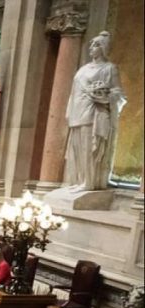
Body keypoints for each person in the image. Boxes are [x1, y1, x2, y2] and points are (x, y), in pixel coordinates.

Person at [63, 31, 125, 191]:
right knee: (76, 149)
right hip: (77, 111)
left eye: (96, 44)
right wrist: (69, 109)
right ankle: (79, 180)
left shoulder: (109, 68)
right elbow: (73, 91)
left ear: (104, 48)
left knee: (89, 149)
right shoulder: (83, 69)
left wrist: (104, 95)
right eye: (91, 44)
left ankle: (88, 183)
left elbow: (118, 92)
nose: (91, 47)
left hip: (94, 113)